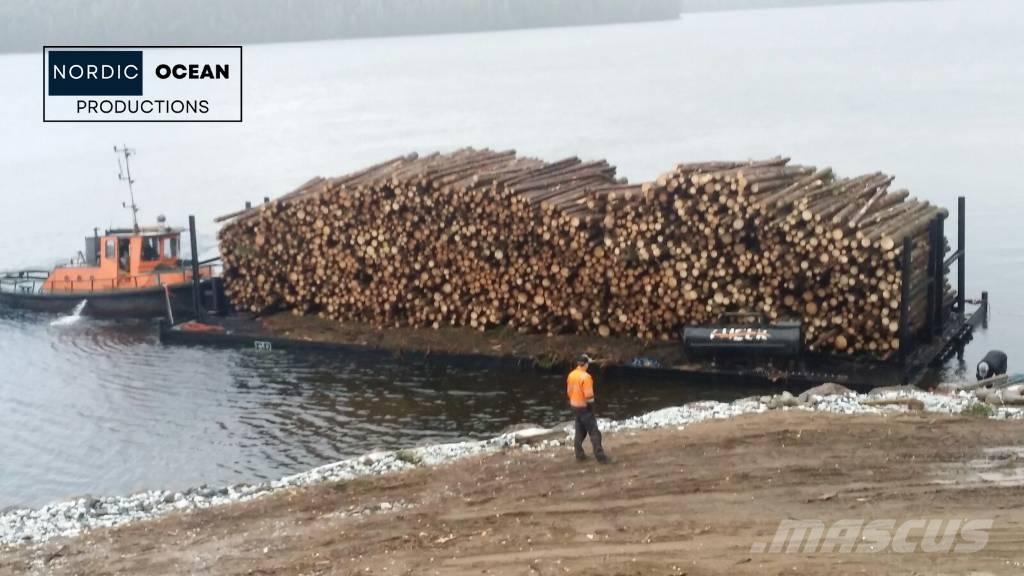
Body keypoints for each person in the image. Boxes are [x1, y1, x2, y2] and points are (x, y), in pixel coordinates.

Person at [567, 354, 609, 464]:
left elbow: (569, 392)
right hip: (584, 407)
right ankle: (601, 457)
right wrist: (592, 408)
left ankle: (579, 454)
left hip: (574, 406)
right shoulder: (586, 377)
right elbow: (589, 396)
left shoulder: (571, 375)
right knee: (594, 432)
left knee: (579, 430)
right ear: (585, 364)